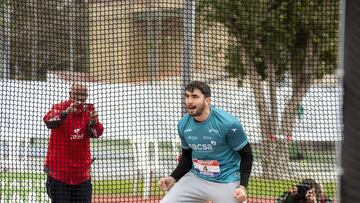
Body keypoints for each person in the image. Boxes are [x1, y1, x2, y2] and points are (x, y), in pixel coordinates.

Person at [159, 81, 253, 203]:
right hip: (196, 178)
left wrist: (242, 186)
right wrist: (173, 177)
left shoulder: (228, 123)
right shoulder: (183, 124)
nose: (189, 101)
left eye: (195, 97)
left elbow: (247, 155)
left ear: (207, 101)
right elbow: (187, 157)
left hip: (226, 180)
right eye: (187, 96)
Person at [43, 82, 104, 203]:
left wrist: (93, 123)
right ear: (70, 94)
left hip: (81, 175)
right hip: (59, 174)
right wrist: (65, 113)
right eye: (77, 94)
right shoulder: (60, 107)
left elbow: (97, 133)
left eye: (83, 95)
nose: (80, 98)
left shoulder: (88, 111)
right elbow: (48, 121)